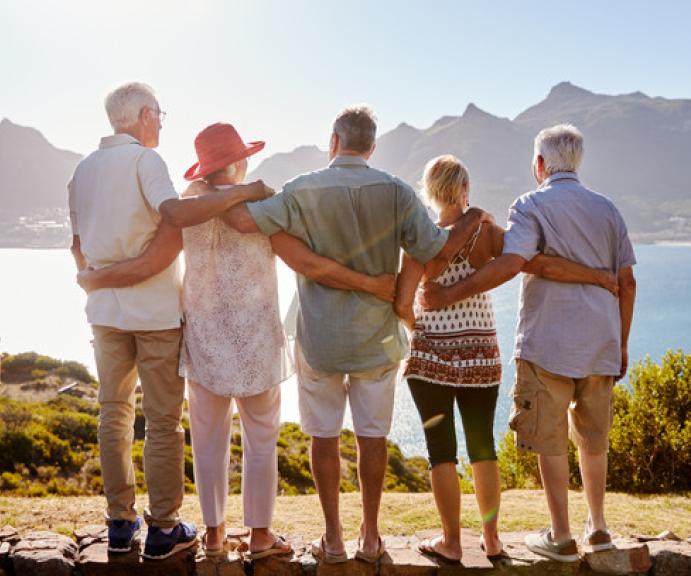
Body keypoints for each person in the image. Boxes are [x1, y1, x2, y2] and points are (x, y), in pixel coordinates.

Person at [77, 122, 395, 560]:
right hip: (256, 341)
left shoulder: (188, 203)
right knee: (261, 440)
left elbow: (162, 255)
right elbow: (298, 255)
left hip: (205, 338)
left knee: (208, 441)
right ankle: (261, 536)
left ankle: (212, 535)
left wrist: (97, 276)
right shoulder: (262, 203)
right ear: (241, 160)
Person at [222, 105, 493, 564]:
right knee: (372, 439)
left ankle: (333, 538)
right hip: (378, 338)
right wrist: (404, 298)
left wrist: (238, 189)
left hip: (320, 337)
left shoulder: (302, 189)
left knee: (323, 438)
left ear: (334, 140)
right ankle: (370, 536)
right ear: (372, 145)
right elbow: (433, 252)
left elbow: (245, 222)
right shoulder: (397, 191)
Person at [67, 82, 273, 560]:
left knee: (112, 414)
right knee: (161, 422)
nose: (161, 121)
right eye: (158, 113)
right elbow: (176, 214)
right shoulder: (145, 161)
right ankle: (163, 528)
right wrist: (246, 190)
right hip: (155, 313)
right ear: (142, 114)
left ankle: (120, 523)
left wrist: (95, 279)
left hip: (104, 315)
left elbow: (77, 245)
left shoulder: (82, 170)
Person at [421, 125, 637, 563]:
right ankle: (597, 527)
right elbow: (627, 281)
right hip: (601, 343)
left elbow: (515, 263)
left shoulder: (530, 205)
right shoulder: (608, 210)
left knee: (550, 438)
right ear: (576, 160)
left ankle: (560, 535)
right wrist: (623, 342)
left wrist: (446, 295)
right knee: (594, 440)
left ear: (540, 164)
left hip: (546, 343)